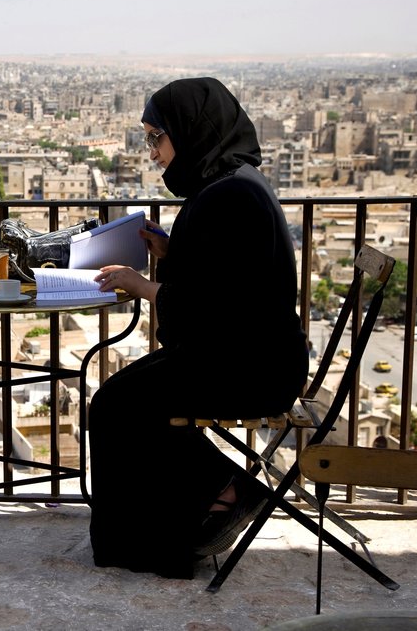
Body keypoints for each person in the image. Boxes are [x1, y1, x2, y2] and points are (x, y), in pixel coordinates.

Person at [87, 77, 309, 578]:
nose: (152, 154)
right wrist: (173, 255)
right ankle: (209, 499)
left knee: (118, 407)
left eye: (156, 138)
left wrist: (142, 285)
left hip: (247, 368)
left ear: (190, 132)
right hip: (247, 355)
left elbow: (210, 308)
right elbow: (221, 288)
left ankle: (216, 498)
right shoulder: (232, 185)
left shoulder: (225, 198)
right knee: (122, 402)